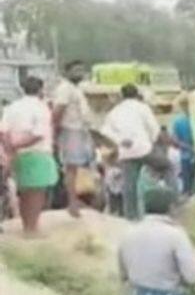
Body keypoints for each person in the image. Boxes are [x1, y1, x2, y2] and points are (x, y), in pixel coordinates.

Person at [1, 76, 58, 234]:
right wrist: (17, 145)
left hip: (18, 155)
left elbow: (3, 131)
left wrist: (10, 149)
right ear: (41, 89)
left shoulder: (12, 107)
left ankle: (27, 225)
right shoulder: (42, 108)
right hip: (38, 153)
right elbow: (38, 134)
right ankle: (32, 228)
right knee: (37, 193)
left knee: (24, 192)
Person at [102, 84, 161, 220]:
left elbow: (105, 133)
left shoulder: (115, 111)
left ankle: (131, 217)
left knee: (129, 184)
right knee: (167, 167)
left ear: (122, 96)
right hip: (145, 150)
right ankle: (171, 202)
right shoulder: (143, 107)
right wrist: (151, 141)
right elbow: (155, 129)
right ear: (136, 94)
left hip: (126, 152)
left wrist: (120, 141)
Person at [53, 60, 95, 218]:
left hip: (79, 130)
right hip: (70, 130)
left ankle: (74, 201)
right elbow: (58, 111)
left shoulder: (76, 89)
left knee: (75, 168)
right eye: (75, 70)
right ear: (67, 72)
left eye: (81, 70)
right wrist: (55, 132)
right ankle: (72, 203)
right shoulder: (65, 89)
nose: (79, 73)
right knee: (71, 168)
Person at [171, 94, 195, 196]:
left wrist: (188, 148)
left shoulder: (178, 121)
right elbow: (175, 140)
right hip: (192, 155)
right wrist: (192, 148)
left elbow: (175, 141)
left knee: (188, 185)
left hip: (186, 155)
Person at [103, 151, 124, 216]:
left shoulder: (113, 170)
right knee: (114, 208)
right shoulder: (113, 170)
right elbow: (109, 183)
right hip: (115, 193)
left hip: (118, 192)